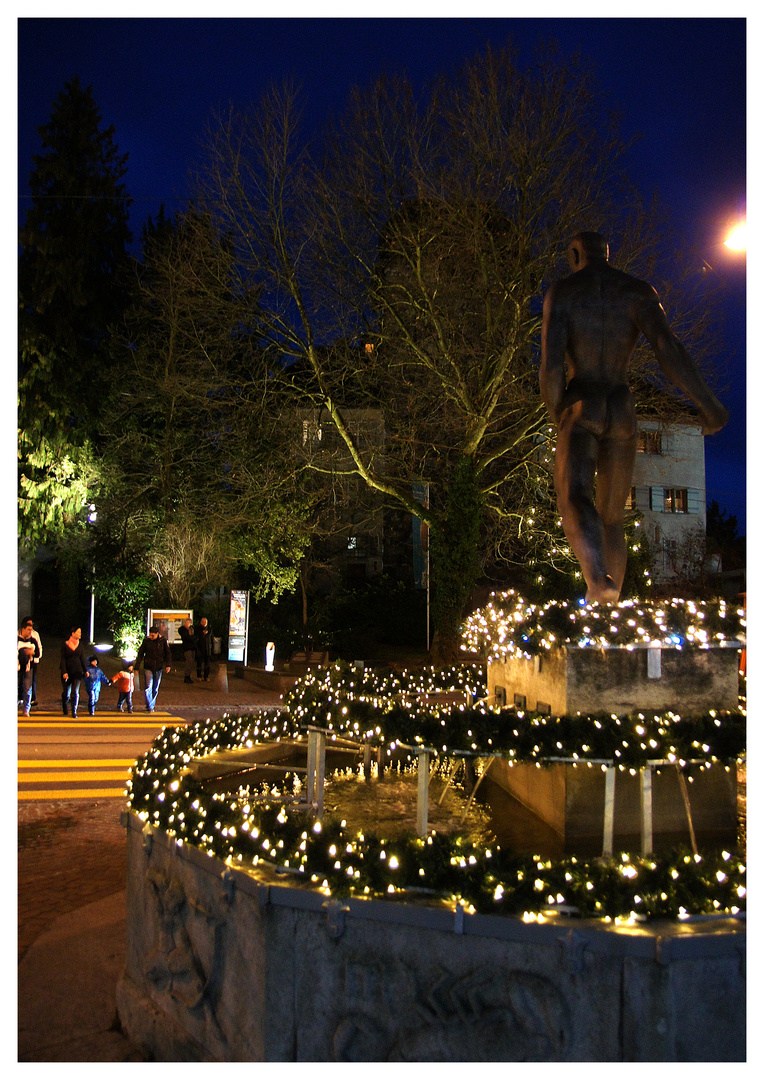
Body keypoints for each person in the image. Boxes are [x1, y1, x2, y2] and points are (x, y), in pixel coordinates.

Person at [540, 231, 729, 604]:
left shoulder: (563, 292)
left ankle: (598, 580)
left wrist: (557, 413)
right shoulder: (638, 291)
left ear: (576, 253)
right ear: (606, 254)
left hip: (584, 403)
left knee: (575, 495)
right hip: (622, 406)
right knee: (613, 517)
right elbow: (668, 349)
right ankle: (610, 608)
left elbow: (550, 367)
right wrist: (708, 405)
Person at [135, 623, 172, 712]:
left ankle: (151, 704)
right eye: (150, 635)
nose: (151, 637)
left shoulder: (163, 641)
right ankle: (150, 706)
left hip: (158, 667)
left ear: (157, 634)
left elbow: (168, 653)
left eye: (153, 635)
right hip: (148, 666)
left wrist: (168, 665)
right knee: (148, 686)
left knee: (155, 688)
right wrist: (137, 667)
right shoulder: (146, 641)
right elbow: (140, 654)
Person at [60, 626, 87, 718]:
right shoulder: (65, 644)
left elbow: (82, 658)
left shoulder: (80, 645)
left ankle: (74, 711)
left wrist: (85, 670)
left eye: (80, 632)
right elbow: (63, 659)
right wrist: (64, 672)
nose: (80, 634)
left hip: (77, 671)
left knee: (75, 692)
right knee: (67, 693)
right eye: (78, 632)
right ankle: (64, 705)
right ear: (73, 633)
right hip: (67, 671)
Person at [18, 623, 40, 717]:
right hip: (17, 667)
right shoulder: (16, 640)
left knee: (27, 689)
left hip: (28, 668)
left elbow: (38, 654)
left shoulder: (33, 640)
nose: (30, 632)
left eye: (31, 630)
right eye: (28, 629)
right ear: (22, 629)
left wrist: (32, 652)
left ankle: (26, 709)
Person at [178, 617, 196, 683]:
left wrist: (192, 638)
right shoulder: (182, 629)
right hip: (187, 647)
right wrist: (191, 637)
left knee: (191, 663)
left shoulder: (192, 629)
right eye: (186, 623)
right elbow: (186, 637)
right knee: (189, 661)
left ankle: (189, 675)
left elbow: (195, 637)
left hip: (192, 647)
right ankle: (186, 676)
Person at [195, 617, 211, 682]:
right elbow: (196, 639)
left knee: (207, 664)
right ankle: (199, 676)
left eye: (205, 622)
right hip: (200, 649)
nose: (204, 623)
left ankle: (206, 676)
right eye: (203, 622)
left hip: (207, 649)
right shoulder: (197, 629)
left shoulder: (209, 629)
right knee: (199, 663)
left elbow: (211, 638)